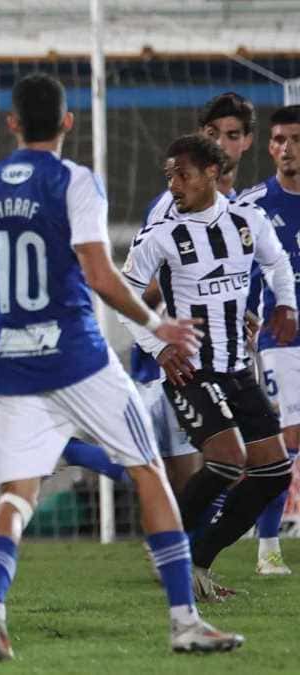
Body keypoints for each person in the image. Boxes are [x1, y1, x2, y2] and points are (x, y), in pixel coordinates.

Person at [0, 73, 242, 659]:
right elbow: (102, 277)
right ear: (67, 122)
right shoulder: (75, 181)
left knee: (16, 498)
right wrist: (158, 326)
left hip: (9, 369)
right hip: (79, 360)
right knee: (149, 472)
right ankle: (184, 620)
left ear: (11, 123)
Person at [121, 132, 297, 600]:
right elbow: (122, 298)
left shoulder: (247, 220)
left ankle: (199, 562)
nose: (174, 185)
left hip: (238, 368)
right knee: (227, 461)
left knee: (275, 472)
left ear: (212, 175)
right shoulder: (161, 233)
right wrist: (156, 346)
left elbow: (277, 264)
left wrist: (286, 304)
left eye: (184, 175)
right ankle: (168, 546)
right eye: (169, 176)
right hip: (189, 371)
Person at [238, 104, 300, 575]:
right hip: (282, 339)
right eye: (279, 141)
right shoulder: (254, 203)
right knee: (287, 438)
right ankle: (268, 548)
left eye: (295, 139)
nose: (286, 149)